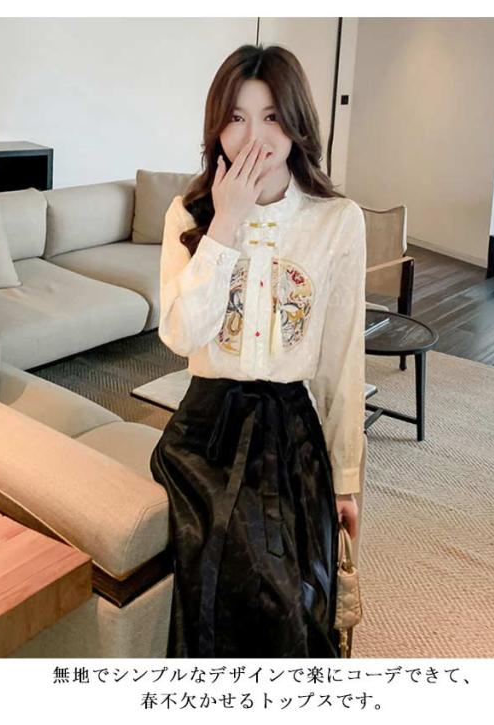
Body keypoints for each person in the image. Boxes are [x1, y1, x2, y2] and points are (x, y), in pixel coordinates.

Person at [150, 43, 366, 658]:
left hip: (289, 432)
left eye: (271, 117)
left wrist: (345, 479)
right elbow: (180, 335)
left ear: (297, 124)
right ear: (216, 129)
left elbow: (341, 361)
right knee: (216, 574)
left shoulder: (336, 221)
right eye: (237, 118)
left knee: (291, 594)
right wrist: (224, 225)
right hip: (205, 432)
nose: (254, 138)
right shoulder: (187, 213)